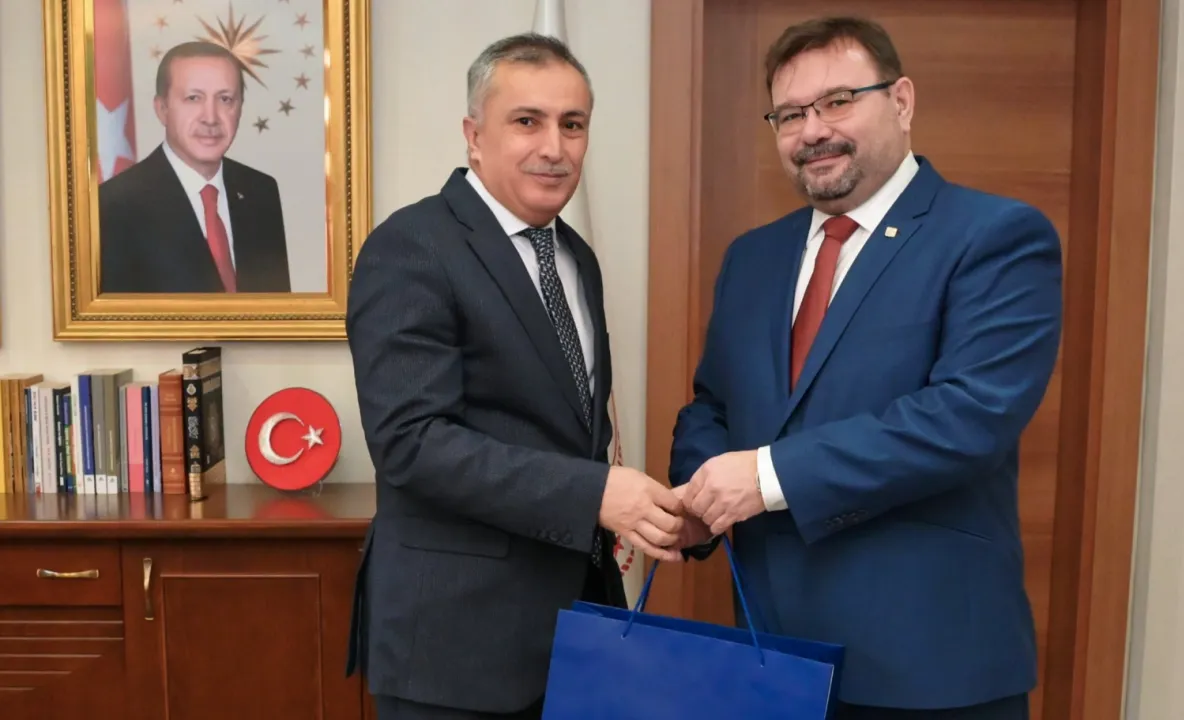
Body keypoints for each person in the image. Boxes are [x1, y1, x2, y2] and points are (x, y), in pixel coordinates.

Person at [668, 15, 1063, 720]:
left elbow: (967, 418)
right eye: (790, 114)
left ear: (902, 101)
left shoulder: (995, 236)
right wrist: (699, 499)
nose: (812, 130)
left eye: (838, 101)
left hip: (929, 668)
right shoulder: (752, 257)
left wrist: (762, 478)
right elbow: (715, 403)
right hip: (771, 657)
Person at [344, 34, 685, 720]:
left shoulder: (575, 257)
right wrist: (594, 493)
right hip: (455, 650)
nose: (554, 147)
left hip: (574, 634)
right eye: (527, 121)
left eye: (573, 124)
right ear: (474, 136)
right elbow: (411, 442)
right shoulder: (410, 247)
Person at [98, 41, 291, 293]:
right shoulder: (115, 205)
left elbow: (276, 310)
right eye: (193, 98)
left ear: (240, 109)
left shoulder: (261, 191)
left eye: (225, 99)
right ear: (162, 109)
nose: (210, 118)